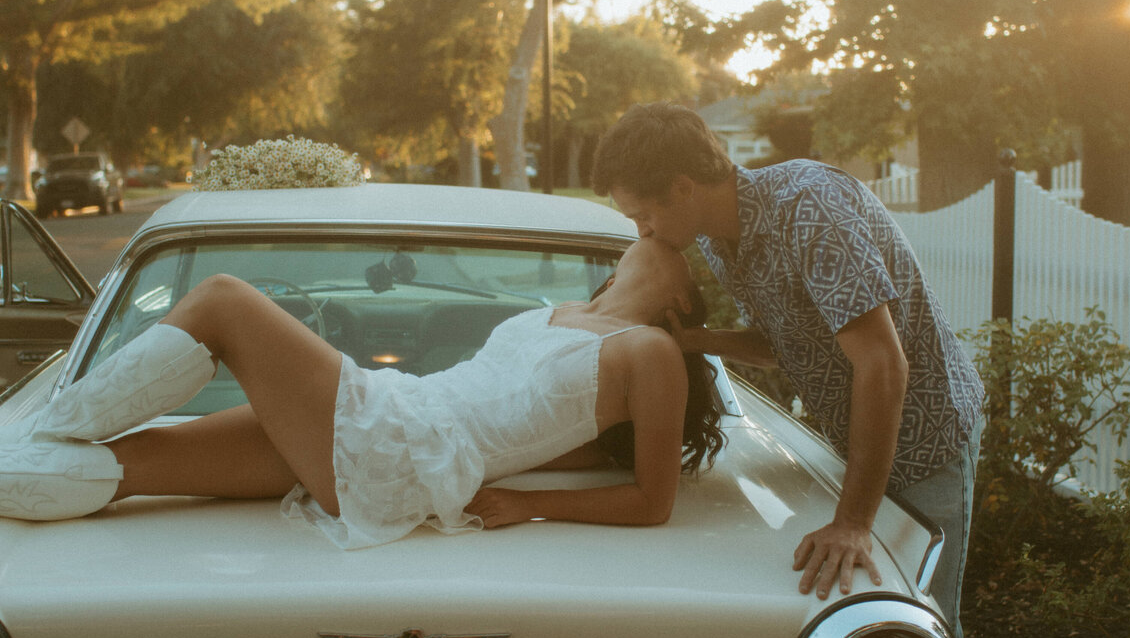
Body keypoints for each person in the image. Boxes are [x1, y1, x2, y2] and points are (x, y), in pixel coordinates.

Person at [591, 102, 985, 638]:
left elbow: (883, 364)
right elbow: (788, 342)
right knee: (865, 622)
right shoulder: (723, 237)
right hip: (861, 439)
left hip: (927, 442)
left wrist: (850, 517)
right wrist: (688, 346)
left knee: (922, 632)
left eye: (647, 210)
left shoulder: (811, 210)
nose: (647, 231)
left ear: (686, 184)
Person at [0, 236, 724, 547]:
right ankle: (28, 455)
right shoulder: (569, 313)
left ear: (682, 305)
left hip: (403, 442)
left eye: (674, 246)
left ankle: (49, 426)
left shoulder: (652, 350)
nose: (654, 233)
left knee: (223, 299)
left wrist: (530, 505)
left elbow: (651, 503)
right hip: (393, 420)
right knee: (134, 467)